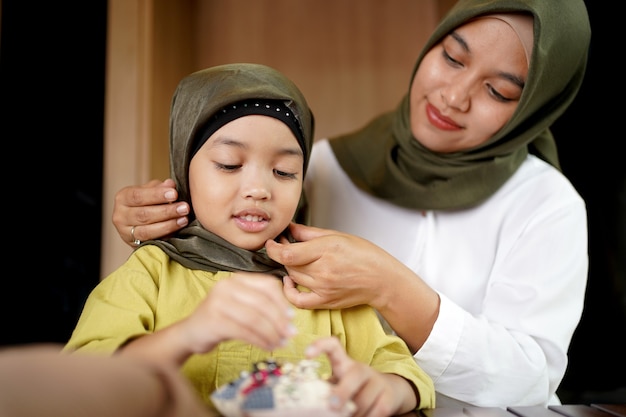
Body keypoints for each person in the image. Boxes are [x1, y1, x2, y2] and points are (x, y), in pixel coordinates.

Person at [111, 0, 591, 408]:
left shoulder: (547, 205)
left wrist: (391, 291)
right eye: (452, 58)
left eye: (499, 91)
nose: (454, 96)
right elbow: (219, 231)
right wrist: (149, 222)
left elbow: (533, 381)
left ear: (534, 106)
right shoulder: (321, 169)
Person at [65, 63, 435, 416]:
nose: (259, 189)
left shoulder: (322, 282)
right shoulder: (152, 272)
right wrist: (187, 336)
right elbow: (82, 381)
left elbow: (402, 372)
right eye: (229, 164)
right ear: (183, 169)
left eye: (283, 171)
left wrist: (386, 389)